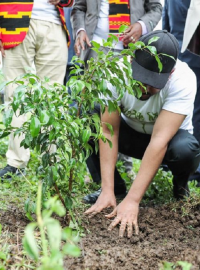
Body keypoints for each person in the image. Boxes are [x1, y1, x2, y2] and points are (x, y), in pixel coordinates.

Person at [84, 30, 200, 238]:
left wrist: (133, 200)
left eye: (152, 83)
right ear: (130, 59)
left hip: (167, 143)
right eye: (140, 78)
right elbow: (108, 131)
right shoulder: (115, 71)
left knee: (186, 150)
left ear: (170, 73)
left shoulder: (183, 80)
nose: (144, 88)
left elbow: (159, 141)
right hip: (130, 136)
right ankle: (113, 189)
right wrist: (106, 189)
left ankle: (180, 186)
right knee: (90, 118)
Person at [71, 0, 163, 202]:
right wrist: (80, 30)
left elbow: (156, 7)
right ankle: (105, 179)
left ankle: (126, 167)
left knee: (126, 107)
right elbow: (78, 8)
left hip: (132, 51)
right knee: (93, 113)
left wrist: (141, 25)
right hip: (96, 50)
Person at [0, 0, 74, 179]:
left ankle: (52, 162)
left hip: (54, 24)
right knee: (16, 93)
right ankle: (16, 164)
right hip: (13, 22)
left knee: (53, 96)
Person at [162, 0, 200, 185]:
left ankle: (193, 169)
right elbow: (167, 23)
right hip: (183, 56)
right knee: (192, 113)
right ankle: (192, 169)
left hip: (189, 55)